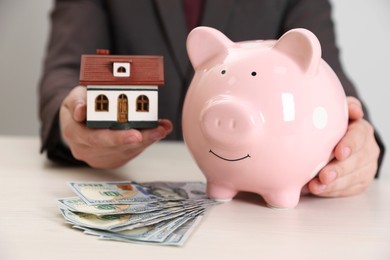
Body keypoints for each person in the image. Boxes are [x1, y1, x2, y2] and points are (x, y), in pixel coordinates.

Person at [39, 0, 385, 198]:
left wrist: (355, 143)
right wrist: (71, 119)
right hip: (130, 171)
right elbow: (66, 70)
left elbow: (328, 76)